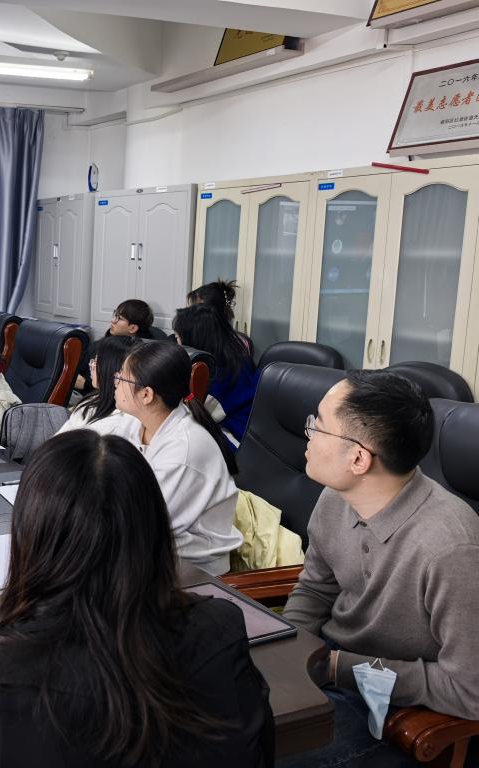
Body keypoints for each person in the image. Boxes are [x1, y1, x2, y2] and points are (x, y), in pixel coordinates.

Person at [0, 430, 273, 767]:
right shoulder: (220, 628)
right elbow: (257, 748)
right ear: (152, 529)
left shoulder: (7, 671)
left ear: (31, 539)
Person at [277, 370, 479, 767]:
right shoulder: (337, 496)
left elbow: (469, 689)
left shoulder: (450, 549)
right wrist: (288, 656)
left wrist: (338, 669)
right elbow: (316, 589)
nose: (308, 433)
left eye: (318, 424)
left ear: (358, 458)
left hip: (397, 707)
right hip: (328, 665)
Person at [114, 340, 243, 576]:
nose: (115, 382)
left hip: (190, 570)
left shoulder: (183, 450)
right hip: (149, 551)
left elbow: (141, 524)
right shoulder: (137, 422)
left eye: (121, 378)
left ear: (146, 394)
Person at [172, 303, 257, 447]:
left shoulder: (218, 376)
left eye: (178, 337)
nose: (177, 343)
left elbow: (193, 414)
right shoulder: (235, 357)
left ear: (193, 339)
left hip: (236, 441)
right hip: (239, 430)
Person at [56, 334, 141, 445]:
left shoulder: (119, 423)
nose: (91, 365)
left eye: (96, 362)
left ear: (110, 369)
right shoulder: (94, 399)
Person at [77, 299, 164, 392]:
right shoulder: (102, 343)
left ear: (132, 328)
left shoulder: (135, 355)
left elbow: (112, 384)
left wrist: (85, 384)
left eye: (120, 318)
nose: (113, 320)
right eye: (115, 315)